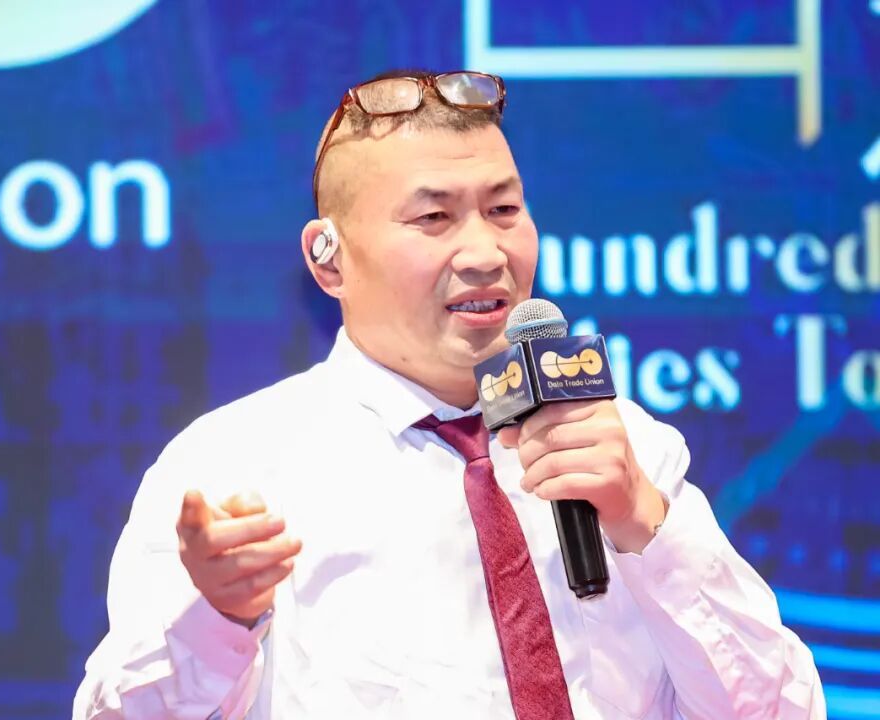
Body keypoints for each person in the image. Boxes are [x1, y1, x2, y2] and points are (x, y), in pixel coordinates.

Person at [73, 69, 825, 719]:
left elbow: (779, 709)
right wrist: (219, 618)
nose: (486, 253)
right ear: (328, 259)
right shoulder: (236, 468)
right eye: (434, 217)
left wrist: (645, 526)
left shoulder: (621, 442)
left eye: (504, 210)